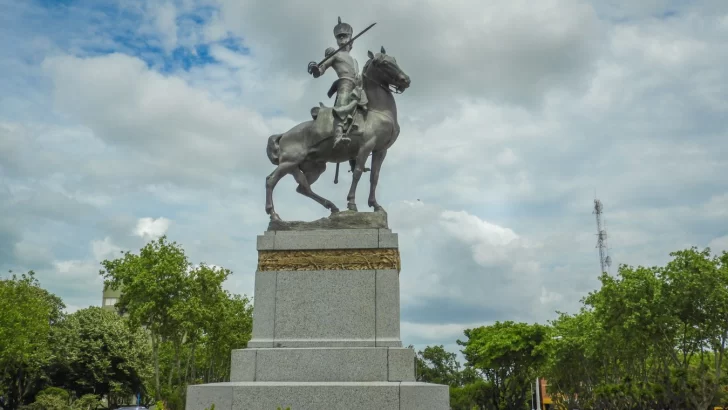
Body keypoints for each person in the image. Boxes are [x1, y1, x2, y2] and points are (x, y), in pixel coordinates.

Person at [307, 17, 362, 147]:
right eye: (339, 38)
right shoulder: (335, 54)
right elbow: (321, 69)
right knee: (342, 103)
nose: (342, 40)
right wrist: (316, 69)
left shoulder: (355, 61)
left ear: (351, 39)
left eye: (345, 37)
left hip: (357, 88)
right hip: (345, 84)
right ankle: (338, 135)